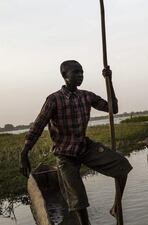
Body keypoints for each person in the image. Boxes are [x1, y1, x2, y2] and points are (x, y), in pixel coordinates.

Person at [19, 60, 132, 225]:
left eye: (82, 72)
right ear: (65, 76)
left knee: (122, 167)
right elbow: (38, 126)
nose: (80, 76)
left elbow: (112, 109)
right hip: (65, 155)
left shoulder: (86, 96)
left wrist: (109, 80)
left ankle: (116, 207)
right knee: (79, 202)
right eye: (76, 72)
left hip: (84, 147)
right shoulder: (54, 100)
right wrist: (24, 152)